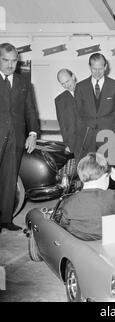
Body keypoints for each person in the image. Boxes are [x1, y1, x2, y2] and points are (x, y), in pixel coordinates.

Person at [58, 152, 115, 241]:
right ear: (106, 176)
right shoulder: (111, 198)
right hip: (109, 247)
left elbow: (64, 225)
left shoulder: (69, 202)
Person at [0, 43, 39, 233]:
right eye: (5, 60)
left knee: (9, 179)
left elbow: (31, 110)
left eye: (13, 60)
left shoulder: (24, 83)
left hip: (16, 137)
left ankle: (5, 219)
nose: (9, 64)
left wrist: (32, 134)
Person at [75, 53, 115, 166]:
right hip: (88, 137)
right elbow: (78, 112)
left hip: (109, 135)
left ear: (106, 67)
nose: (97, 72)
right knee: (88, 171)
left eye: (100, 68)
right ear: (89, 67)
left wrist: (105, 124)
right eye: (94, 69)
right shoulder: (80, 87)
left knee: (110, 170)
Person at [55, 68, 82, 160]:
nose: (66, 85)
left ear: (73, 77)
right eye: (63, 83)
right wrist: (67, 144)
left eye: (68, 81)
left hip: (92, 141)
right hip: (75, 145)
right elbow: (62, 125)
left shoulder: (87, 91)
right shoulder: (59, 100)